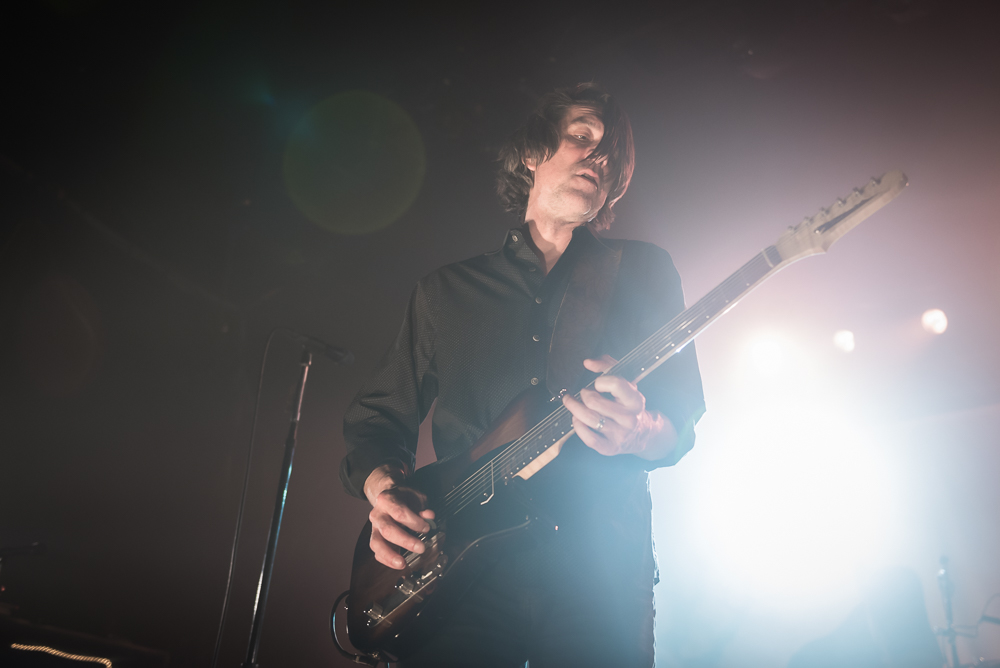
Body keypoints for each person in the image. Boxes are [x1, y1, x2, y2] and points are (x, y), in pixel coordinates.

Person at [340, 83, 705, 667]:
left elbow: (682, 420)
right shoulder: (446, 293)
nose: (598, 156)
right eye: (583, 137)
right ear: (533, 152)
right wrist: (387, 498)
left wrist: (639, 432)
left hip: (599, 569)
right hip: (456, 576)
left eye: (611, 154)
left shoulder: (644, 271)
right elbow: (378, 417)